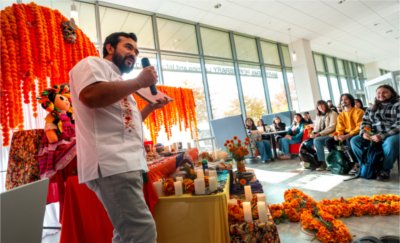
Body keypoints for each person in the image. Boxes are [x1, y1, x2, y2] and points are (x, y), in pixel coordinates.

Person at [70, 32, 169, 243]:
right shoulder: (92, 64)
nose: (133, 53)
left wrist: (150, 107)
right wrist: (139, 81)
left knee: (127, 233)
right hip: (111, 163)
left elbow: (129, 125)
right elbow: (91, 96)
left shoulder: (119, 82)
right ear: (109, 48)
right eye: (128, 47)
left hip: (126, 164)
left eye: (136, 50)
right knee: (142, 231)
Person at [350, 85, 399, 180]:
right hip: (373, 134)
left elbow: (398, 124)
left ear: (391, 93)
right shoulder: (371, 108)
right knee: (354, 141)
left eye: (385, 92)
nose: (381, 95)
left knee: (391, 143)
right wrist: (364, 132)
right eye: (378, 93)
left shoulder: (397, 104)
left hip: (392, 133)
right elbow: (366, 122)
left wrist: (382, 135)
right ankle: (367, 164)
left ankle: (385, 169)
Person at [325, 94, 364, 162]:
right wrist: (337, 135)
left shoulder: (359, 111)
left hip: (356, 133)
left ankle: (356, 163)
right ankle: (338, 161)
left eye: (346, 99)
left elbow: (359, 127)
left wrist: (347, 135)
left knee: (348, 139)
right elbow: (339, 128)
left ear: (351, 100)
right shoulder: (341, 115)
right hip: (345, 134)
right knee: (328, 141)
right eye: (342, 100)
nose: (343, 101)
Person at [306, 100, 338, 170]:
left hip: (331, 134)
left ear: (325, 105)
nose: (321, 107)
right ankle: (312, 162)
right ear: (317, 108)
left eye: (322, 105)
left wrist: (319, 134)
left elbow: (332, 127)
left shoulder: (333, 113)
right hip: (321, 135)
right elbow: (316, 127)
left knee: (317, 140)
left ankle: (322, 163)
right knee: (306, 143)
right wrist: (313, 133)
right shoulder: (318, 115)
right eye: (319, 106)